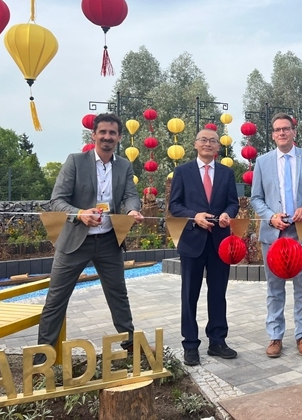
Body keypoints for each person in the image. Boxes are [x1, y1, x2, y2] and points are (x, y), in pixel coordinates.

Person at [37, 113, 144, 361]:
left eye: (112, 133)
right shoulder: (76, 161)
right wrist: (79, 213)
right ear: (93, 135)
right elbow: (57, 201)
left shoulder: (124, 166)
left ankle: (130, 348)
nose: (107, 137)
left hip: (108, 240)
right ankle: (42, 359)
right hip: (75, 242)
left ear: (119, 137)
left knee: (118, 295)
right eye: (103, 132)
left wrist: (131, 210)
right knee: (56, 298)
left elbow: (130, 194)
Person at [250, 113, 302, 358]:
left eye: (286, 129)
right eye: (277, 130)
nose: (281, 133)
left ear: (294, 131)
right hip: (274, 233)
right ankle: (275, 336)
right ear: (272, 135)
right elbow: (256, 198)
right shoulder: (262, 162)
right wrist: (270, 215)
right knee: (274, 288)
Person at [168, 129, 240, 366]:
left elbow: (233, 203)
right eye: (203, 140)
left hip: (220, 241)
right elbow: (175, 206)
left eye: (212, 141)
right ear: (195, 144)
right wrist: (194, 216)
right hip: (192, 241)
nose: (208, 144)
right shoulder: (182, 172)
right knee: (190, 295)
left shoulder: (227, 173)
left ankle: (217, 340)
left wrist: (228, 215)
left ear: (218, 147)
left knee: (218, 293)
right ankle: (190, 344)